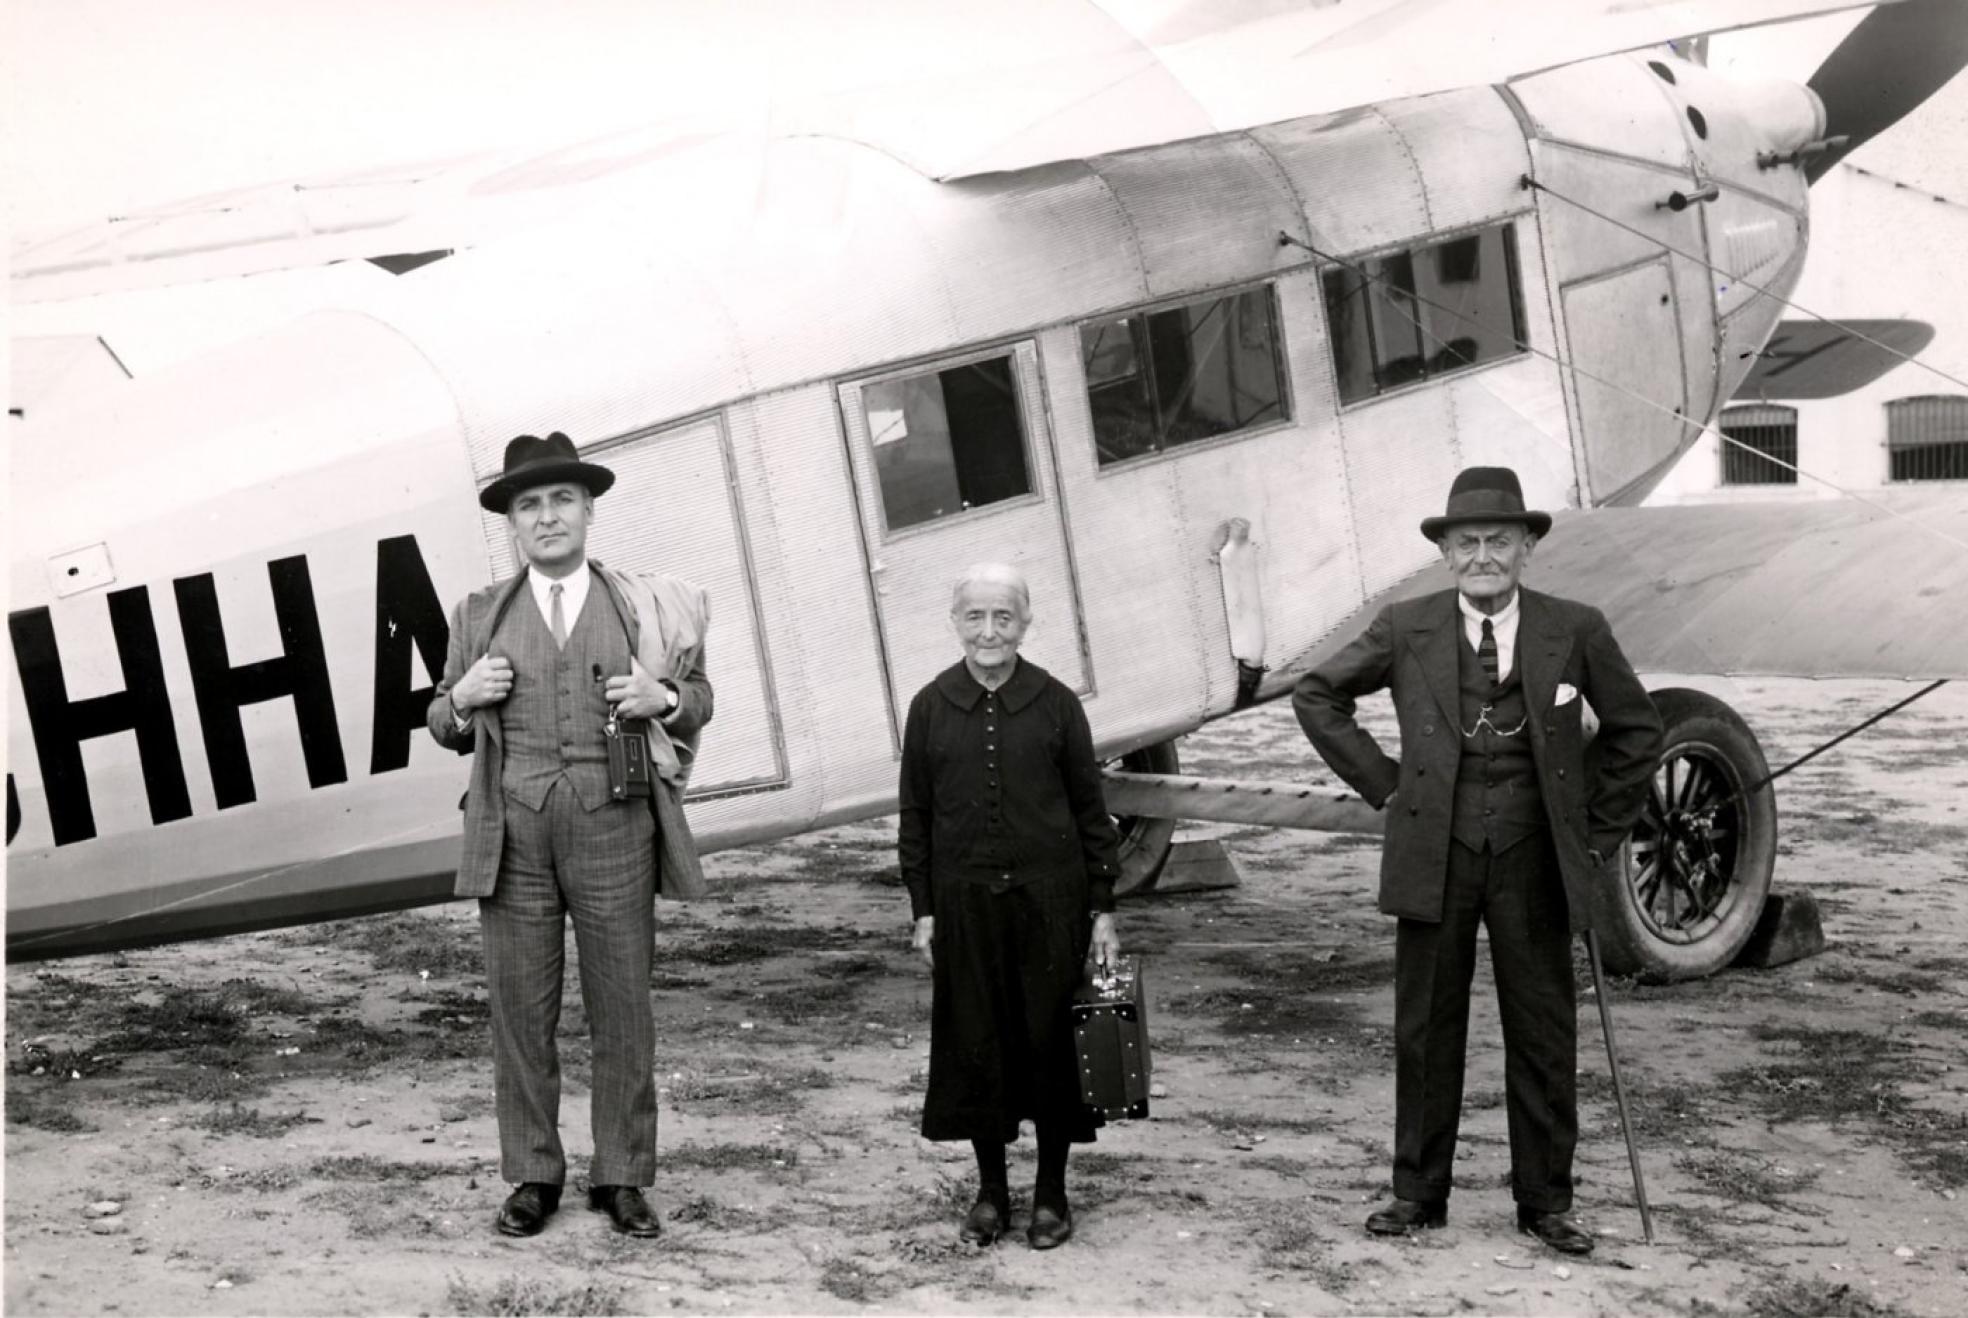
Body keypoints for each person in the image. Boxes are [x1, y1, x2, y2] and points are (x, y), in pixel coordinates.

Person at [1293, 467, 1660, 1256]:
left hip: (1535, 859)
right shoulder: (1405, 626)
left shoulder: (1577, 627)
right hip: (1436, 853)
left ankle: (1546, 1203)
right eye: (1468, 544)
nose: (1484, 556)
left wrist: (1591, 832)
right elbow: (1318, 694)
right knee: (1426, 1028)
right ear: (1446, 554)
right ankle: (1417, 1194)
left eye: (1500, 541)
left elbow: (1637, 730)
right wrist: (1384, 785)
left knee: (1543, 1028)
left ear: (1527, 548)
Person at [428, 431, 711, 1240]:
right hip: (512, 832)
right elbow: (443, 720)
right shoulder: (480, 614)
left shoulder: (641, 605)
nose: (546, 517)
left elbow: (700, 694)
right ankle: (533, 1176)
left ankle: (621, 1176)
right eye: (528, 505)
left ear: (587, 509)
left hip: (614, 824)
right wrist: (464, 697)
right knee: (522, 1010)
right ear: (511, 524)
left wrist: (667, 699)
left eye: (560, 500)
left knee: (624, 1006)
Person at [898, 563, 1123, 1250]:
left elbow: (1091, 813)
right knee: (978, 1045)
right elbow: (916, 819)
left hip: (1048, 905)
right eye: (975, 616)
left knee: (1051, 1046)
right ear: (955, 622)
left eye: (1004, 617)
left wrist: (1102, 910)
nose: (989, 631)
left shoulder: (1056, 705)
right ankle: (992, 1192)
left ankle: (1052, 1193)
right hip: (965, 907)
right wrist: (924, 910)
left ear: (1025, 624)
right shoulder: (930, 706)